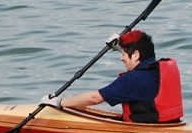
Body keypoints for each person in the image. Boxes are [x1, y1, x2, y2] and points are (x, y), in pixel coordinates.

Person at [48, 30, 183, 124]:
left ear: (136, 55)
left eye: (123, 54)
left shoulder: (132, 80)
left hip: (148, 130)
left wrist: (58, 102)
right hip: (170, 124)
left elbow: (94, 99)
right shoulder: (157, 70)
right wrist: (119, 46)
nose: (121, 58)